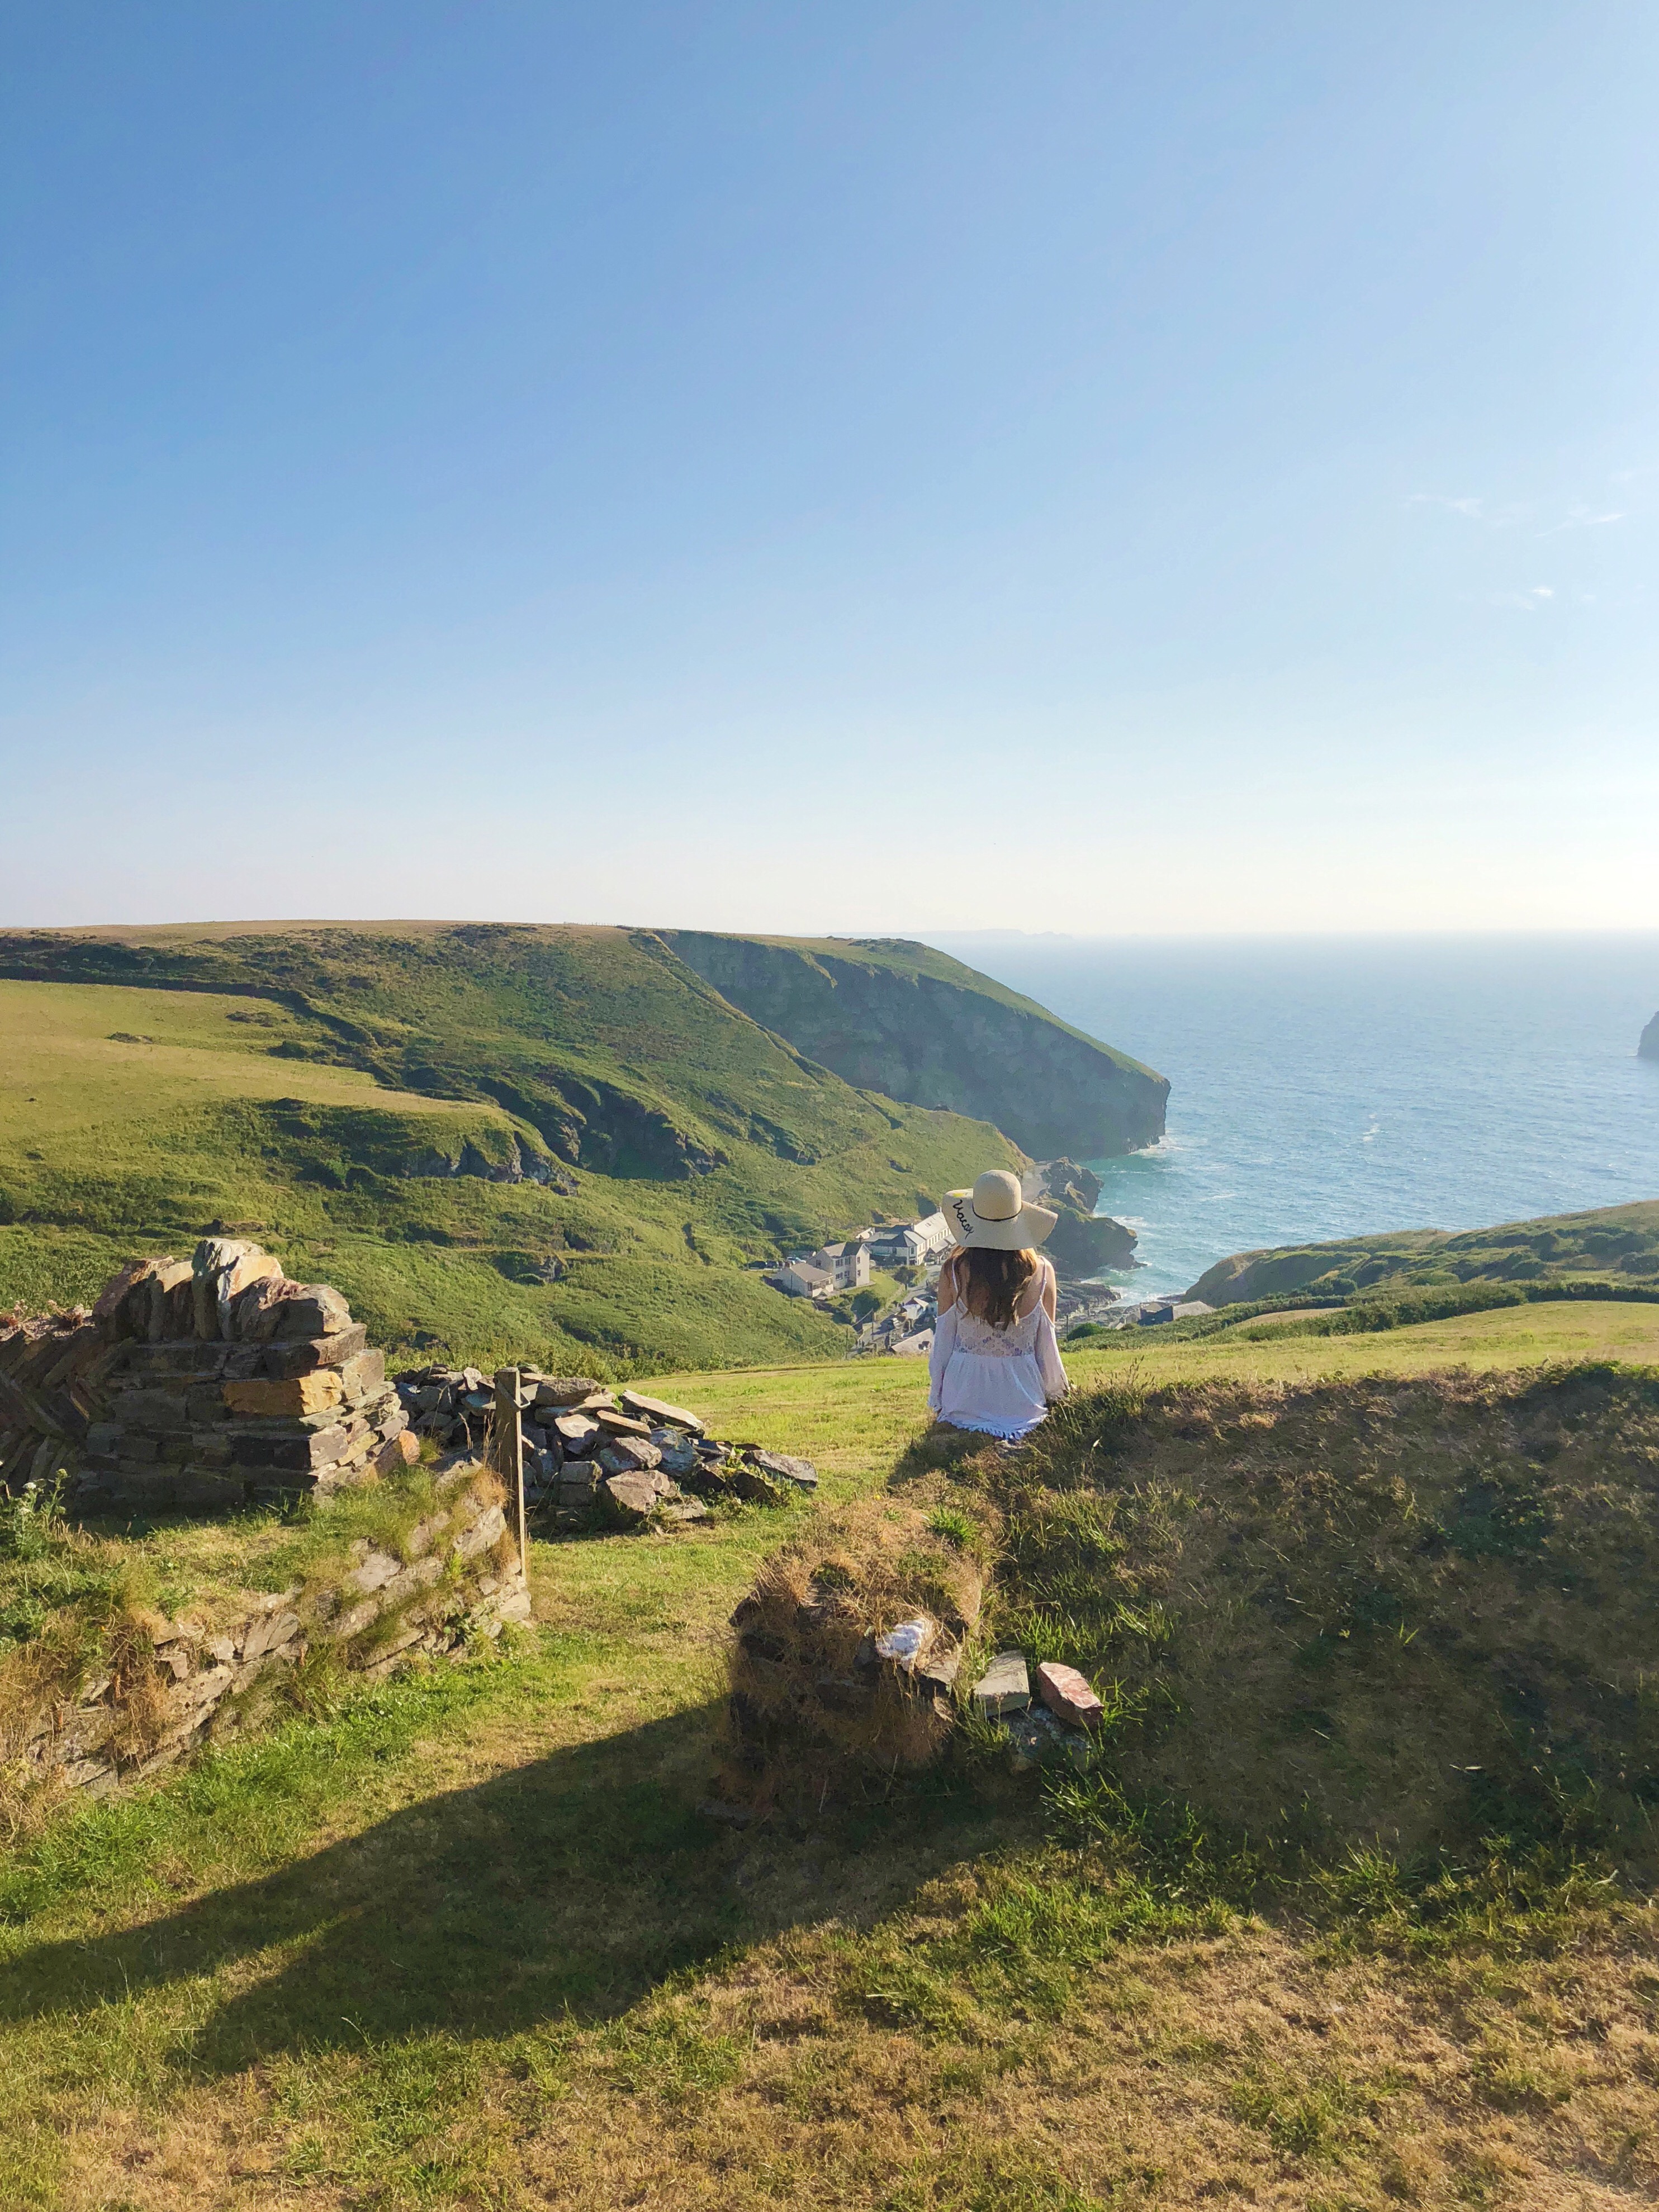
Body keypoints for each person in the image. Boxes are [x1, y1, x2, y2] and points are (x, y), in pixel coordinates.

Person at [927, 1169, 1069, 1442]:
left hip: (963, 1399)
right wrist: (1057, 1394)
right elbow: (1047, 1347)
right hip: (1022, 1401)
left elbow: (943, 1344)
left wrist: (939, 1398)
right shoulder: (1042, 1272)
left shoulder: (954, 1272)